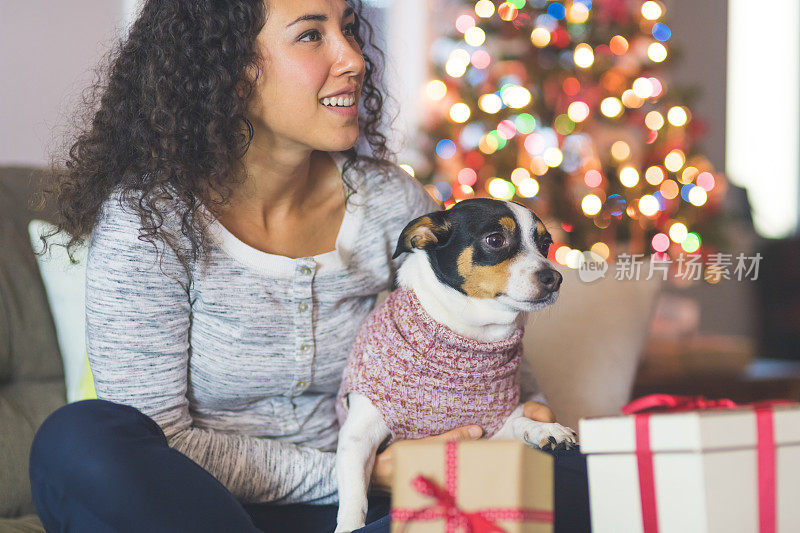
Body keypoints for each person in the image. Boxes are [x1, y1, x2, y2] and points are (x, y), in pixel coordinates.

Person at [28, 1, 586, 532]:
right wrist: (372, 470)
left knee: (580, 476)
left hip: (373, 509)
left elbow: (480, 336)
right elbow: (156, 439)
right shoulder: (148, 223)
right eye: (311, 34)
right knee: (78, 442)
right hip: (200, 512)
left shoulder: (389, 202)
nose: (354, 58)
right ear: (229, 67)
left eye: (348, 28)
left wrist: (527, 416)